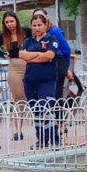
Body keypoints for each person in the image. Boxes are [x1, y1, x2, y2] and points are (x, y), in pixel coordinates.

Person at [19, 13, 60, 148]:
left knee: (46, 109)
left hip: (47, 80)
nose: (37, 28)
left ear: (45, 25)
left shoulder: (51, 39)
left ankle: (53, 139)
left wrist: (32, 56)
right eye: (34, 25)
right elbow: (22, 55)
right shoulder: (28, 41)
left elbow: (49, 56)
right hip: (30, 79)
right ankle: (41, 139)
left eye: (39, 25)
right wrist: (38, 55)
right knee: (35, 110)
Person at [0, 11, 31, 140]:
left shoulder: (27, 32)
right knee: (17, 98)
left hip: (29, 65)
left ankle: (25, 125)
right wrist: (4, 55)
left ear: (16, 21)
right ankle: (16, 129)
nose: (10, 24)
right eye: (7, 22)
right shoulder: (4, 36)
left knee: (26, 98)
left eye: (11, 21)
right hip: (14, 67)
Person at [31, 8, 73, 102]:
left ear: (47, 17)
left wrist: (65, 68)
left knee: (56, 92)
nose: (38, 19)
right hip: (44, 64)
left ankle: (58, 115)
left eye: (41, 16)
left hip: (58, 61)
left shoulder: (55, 32)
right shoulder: (37, 35)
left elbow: (66, 50)